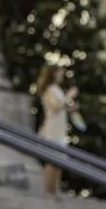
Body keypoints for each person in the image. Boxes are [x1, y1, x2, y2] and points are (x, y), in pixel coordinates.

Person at [36, 64, 80, 199]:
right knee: (52, 161)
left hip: (59, 131)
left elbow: (61, 108)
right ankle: (49, 190)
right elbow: (54, 106)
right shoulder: (50, 89)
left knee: (59, 161)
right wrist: (69, 97)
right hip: (52, 130)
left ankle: (55, 189)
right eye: (60, 73)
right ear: (54, 74)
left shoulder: (57, 90)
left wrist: (70, 108)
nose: (61, 76)